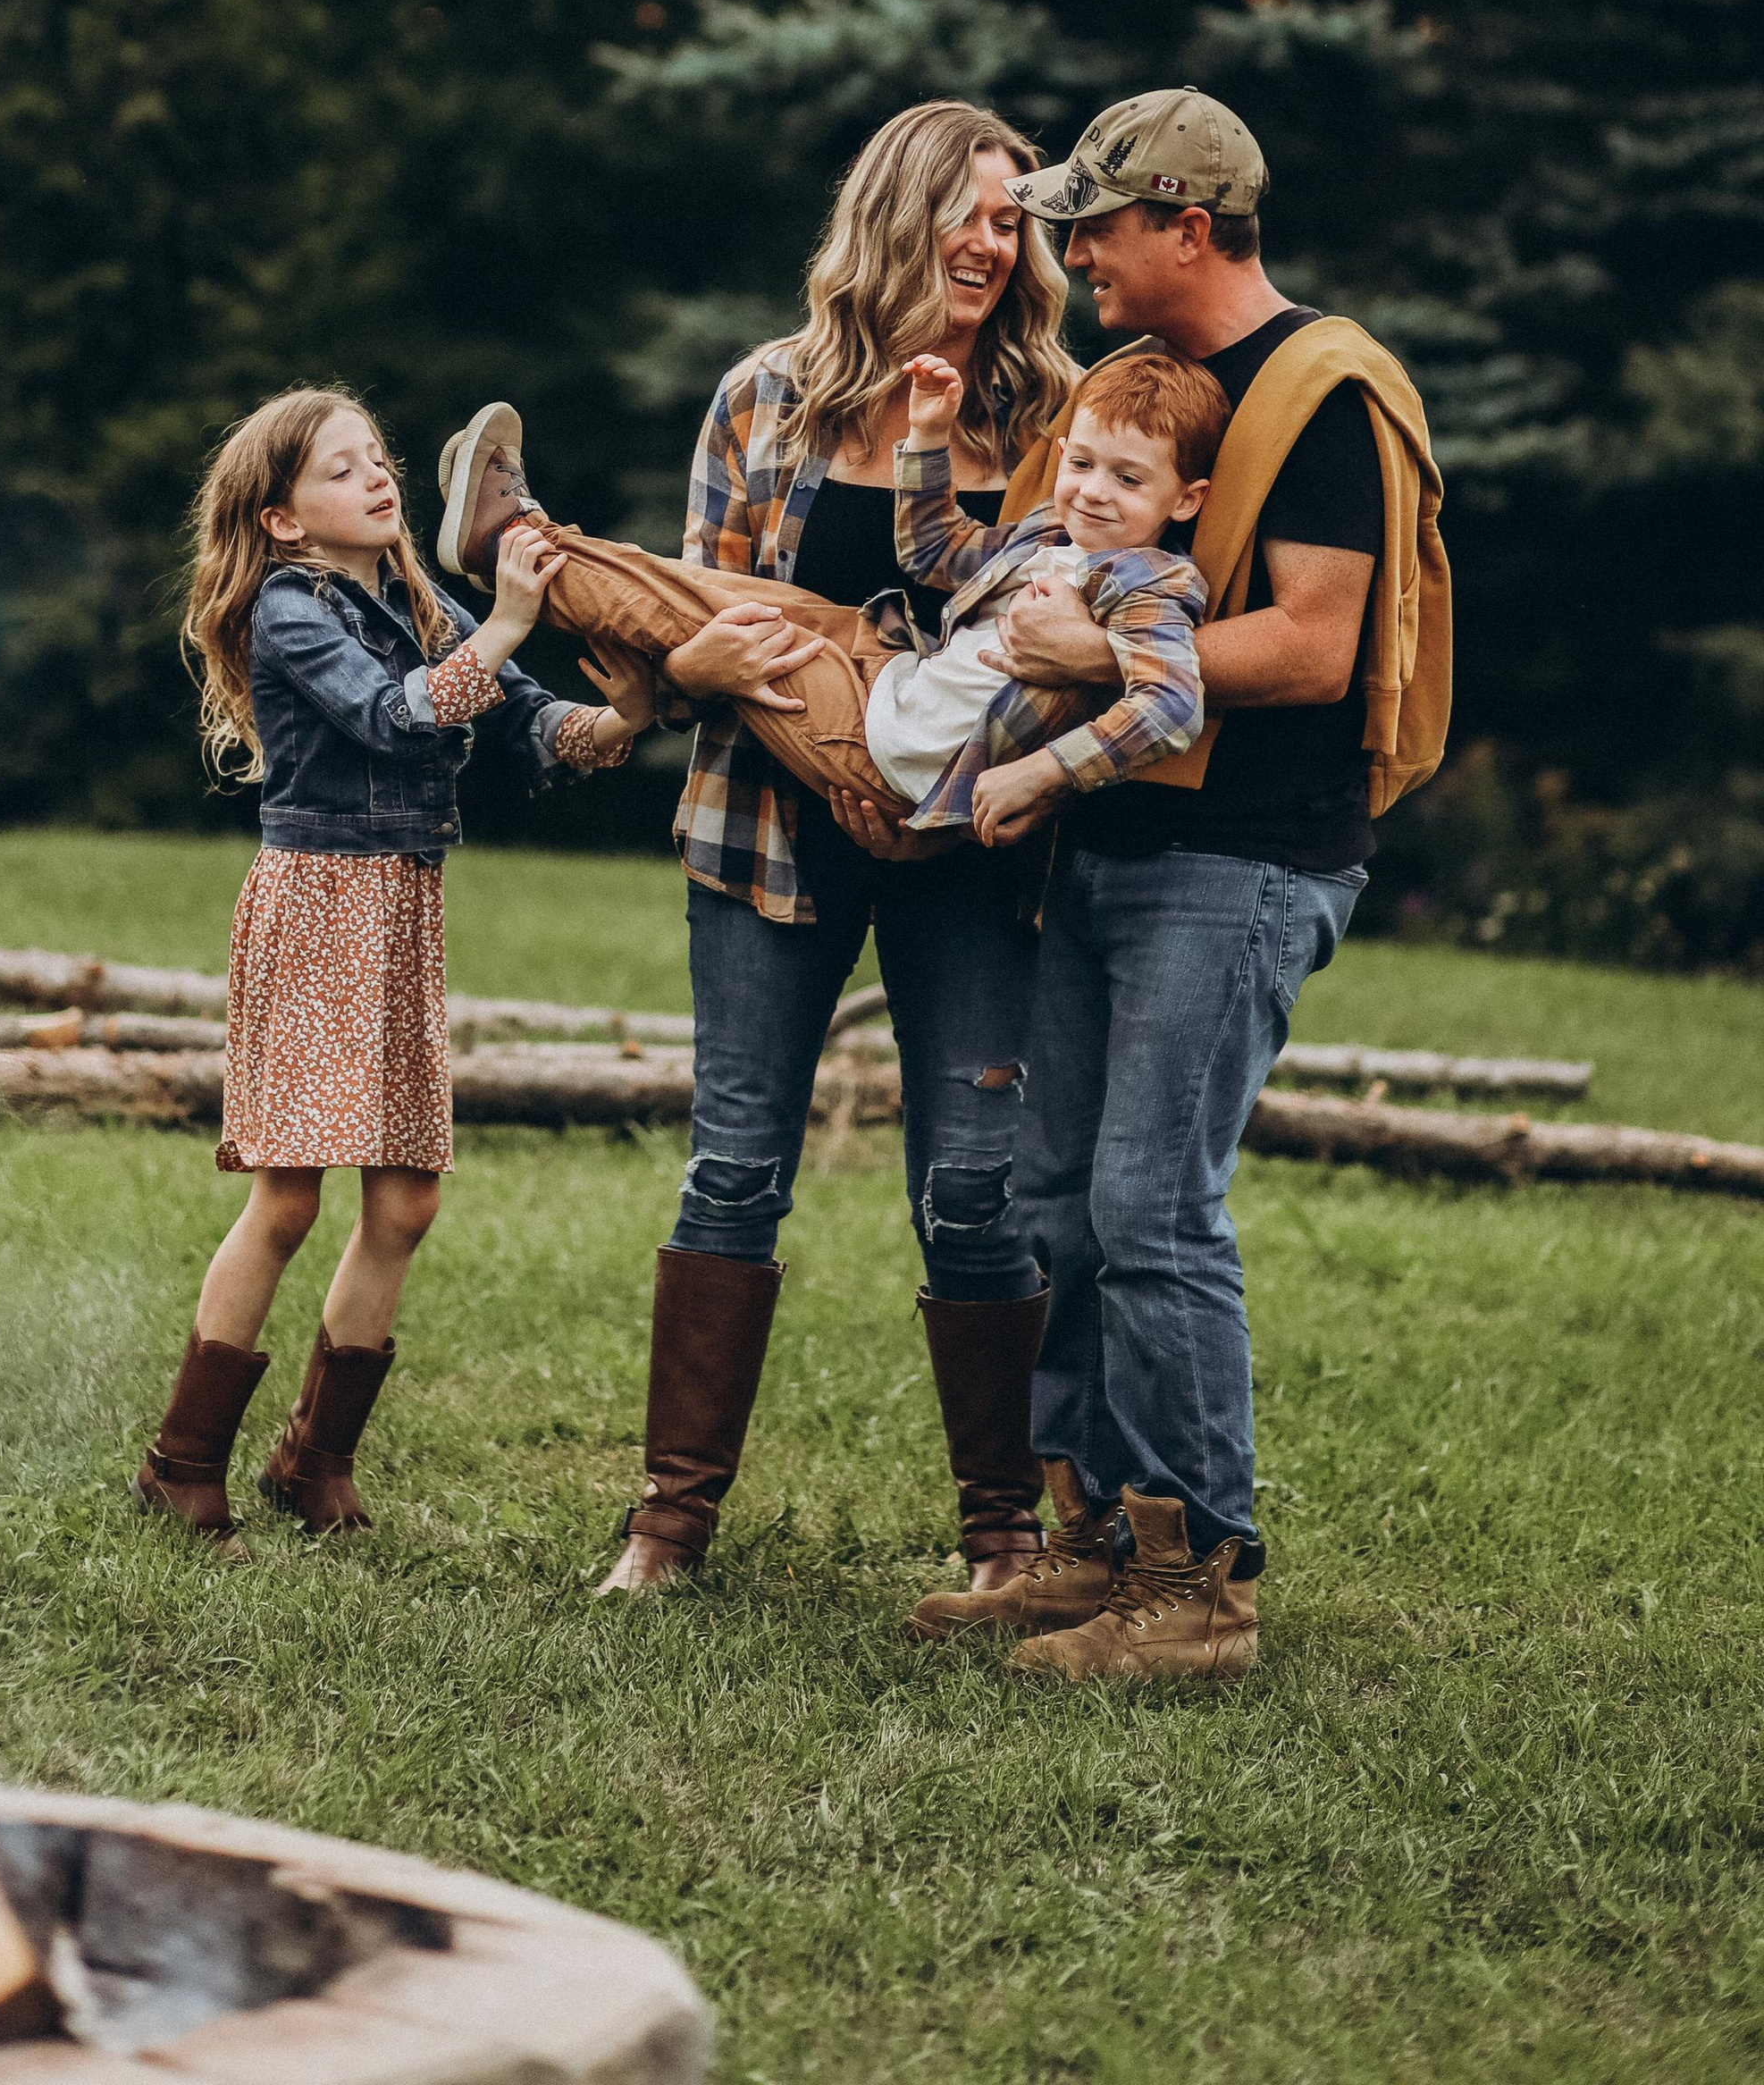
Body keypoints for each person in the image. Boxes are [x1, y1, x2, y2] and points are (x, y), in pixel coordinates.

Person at [559, 102, 1084, 1608]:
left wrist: (922, 765)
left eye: (1012, 221)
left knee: (974, 1188)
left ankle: (1003, 1535)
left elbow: (1053, 643)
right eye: (971, 213)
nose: (995, 243)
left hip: (974, 847)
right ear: (900, 212)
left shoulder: (1046, 413)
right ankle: (668, 1527)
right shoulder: (762, 400)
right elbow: (696, 642)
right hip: (765, 829)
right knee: (735, 1165)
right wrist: (805, 722)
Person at [956, 88, 1449, 1681]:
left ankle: (1202, 1581)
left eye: (1096, 224)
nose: (1073, 249)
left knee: (1153, 1210)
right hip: (1106, 844)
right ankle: (1097, 1542)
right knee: (1061, 1212)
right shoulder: (1136, 386)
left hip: (1239, 863)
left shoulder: (1327, 391)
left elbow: (1314, 643)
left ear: (1188, 225)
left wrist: (1096, 651)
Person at [132, 384, 656, 1557]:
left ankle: (312, 1458)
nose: (379, 479)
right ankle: (181, 1463)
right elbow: (393, 717)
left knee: (407, 1201)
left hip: (401, 910)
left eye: (381, 460)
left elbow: (524, 717)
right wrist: (511, 625)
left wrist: (621, 716)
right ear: (281, 519)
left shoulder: (418, 598)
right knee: (287, 1197)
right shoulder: (289, 611)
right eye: (341, 469)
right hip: (318, 906)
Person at [433, 344, 1227, 850]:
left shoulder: (1151, 583)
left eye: (1129, 479)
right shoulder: (1047, 534)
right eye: (1082, 464)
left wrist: (1042, 775)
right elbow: (934, 550)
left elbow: (1172, 707)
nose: (1093, 493)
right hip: (887, 672)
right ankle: (537, 538)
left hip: (885, 746)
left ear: (1185, 499)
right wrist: (924, 439)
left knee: (709, 615)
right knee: (718, 589)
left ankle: (510, 544)